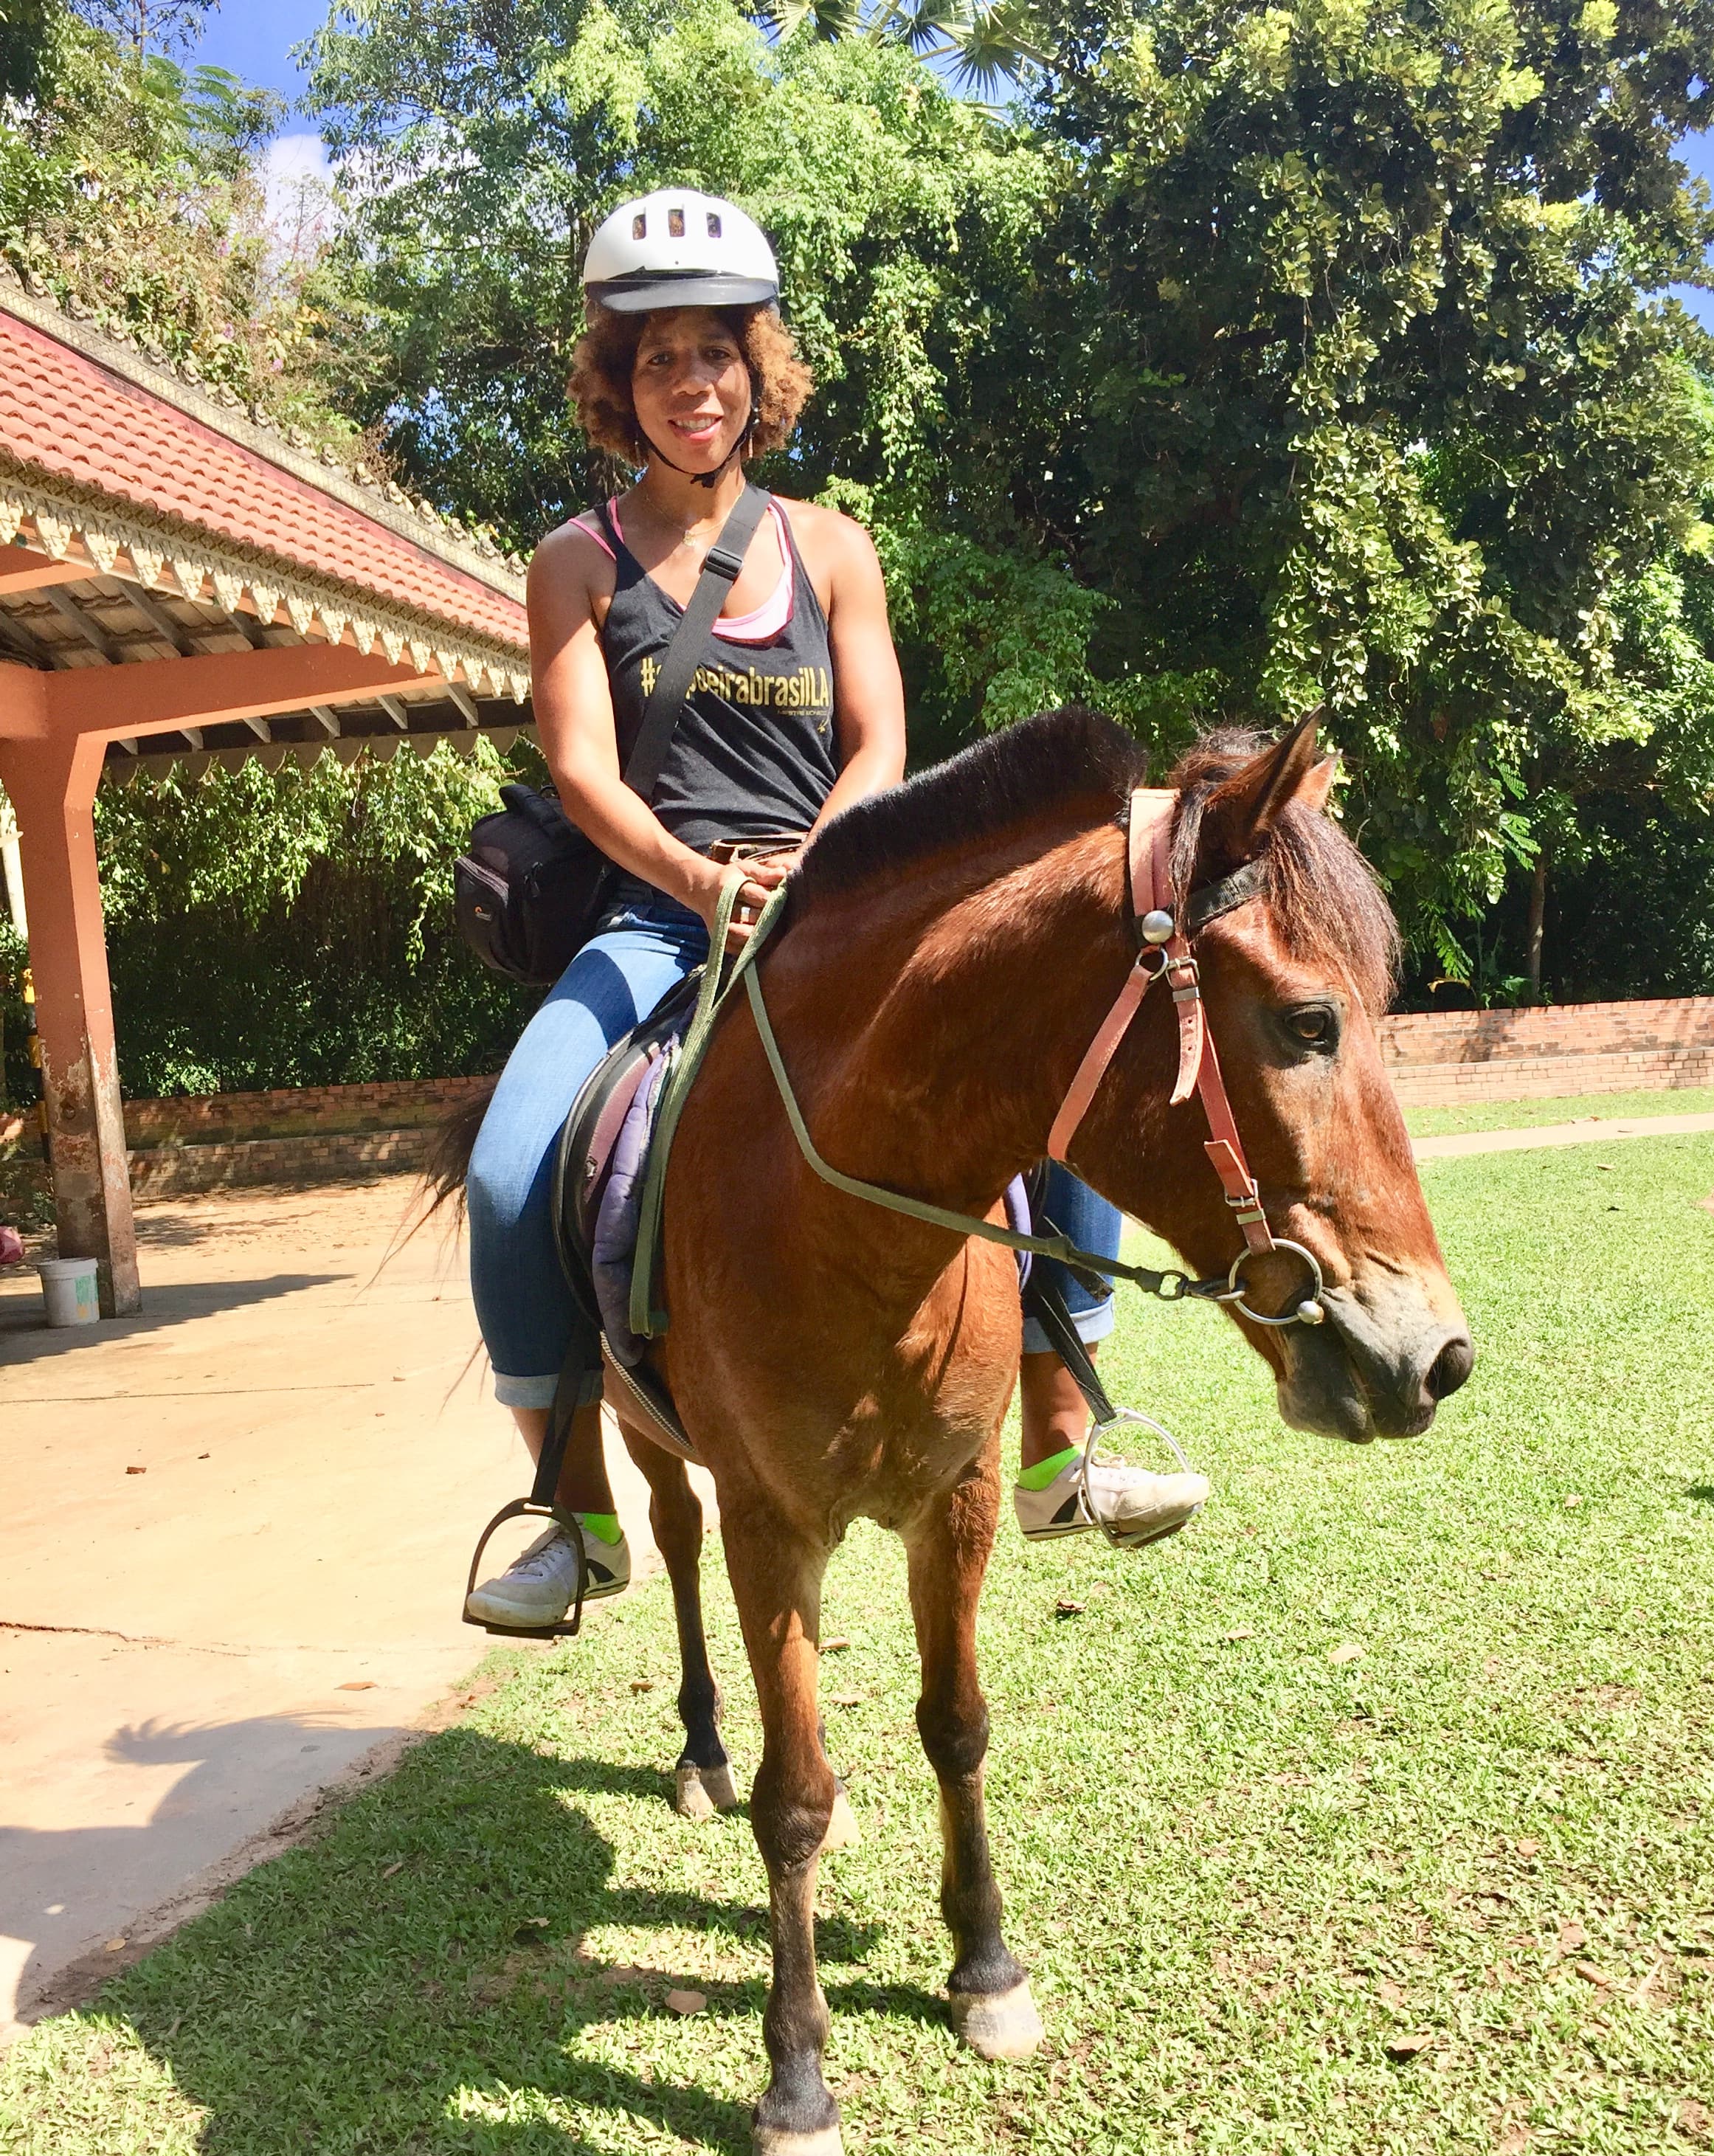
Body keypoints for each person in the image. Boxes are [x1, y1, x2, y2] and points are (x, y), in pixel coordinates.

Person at [464, 189, 1203, 1633]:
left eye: (718, 353)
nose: (694, 383)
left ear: (760, 371)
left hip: (837, 903)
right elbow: (580, 769)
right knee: (507, 1170)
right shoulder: (574, 563)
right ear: (619, 381)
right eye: (660, 356)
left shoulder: (833, 548)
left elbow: (877, 741)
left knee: (1059, 1064)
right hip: (658, 923)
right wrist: (699, 881)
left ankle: (1064, 1426)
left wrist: (823, 863)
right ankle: (568, 1505)